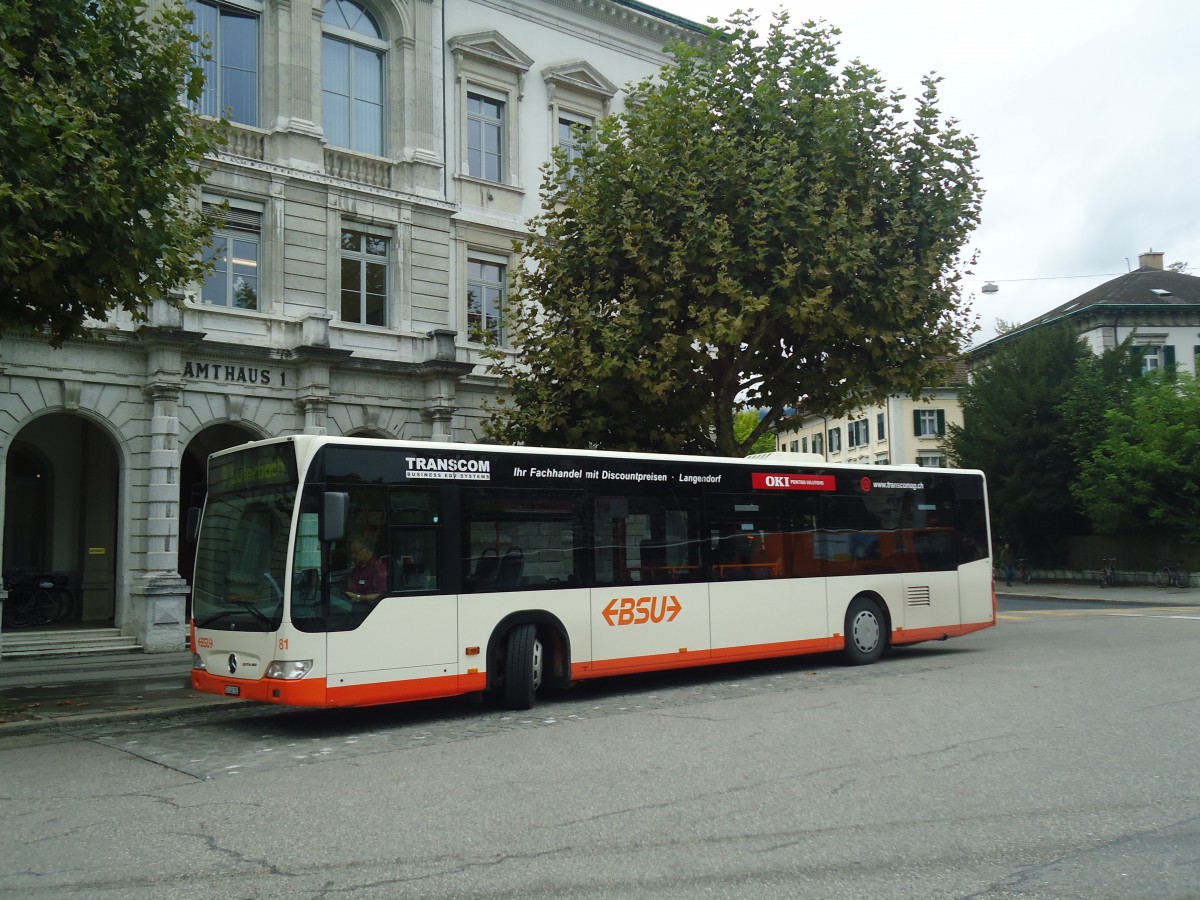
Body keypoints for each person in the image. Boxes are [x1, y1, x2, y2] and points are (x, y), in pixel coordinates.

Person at [347, 536, 388, 602]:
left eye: (356, 552)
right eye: (352, 552)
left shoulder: (379, 569)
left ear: (366, 550)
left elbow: (382, 596)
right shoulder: (358, 567)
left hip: (369, 608)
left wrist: (358, 597)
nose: (353, 556)